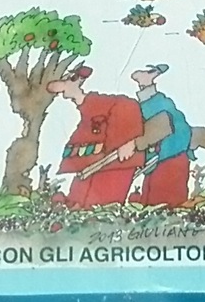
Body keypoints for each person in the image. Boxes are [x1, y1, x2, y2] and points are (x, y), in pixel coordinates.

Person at [47, 64, 144, 209]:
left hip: (115, 165)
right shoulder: (86, 112)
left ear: (77, 80)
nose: (59, 90)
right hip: (93, 167)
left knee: (101, 208)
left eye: (63, 81)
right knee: (77, 204)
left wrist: (126, 144)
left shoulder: (101, 103)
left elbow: (127, 108)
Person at [121, 64, 194, 207]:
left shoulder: (164, 109)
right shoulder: (159, 107)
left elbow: (165, 124)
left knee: (165, 200)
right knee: (152, 196)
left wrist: (135, 144)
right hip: (161, 158)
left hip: (171, 157)